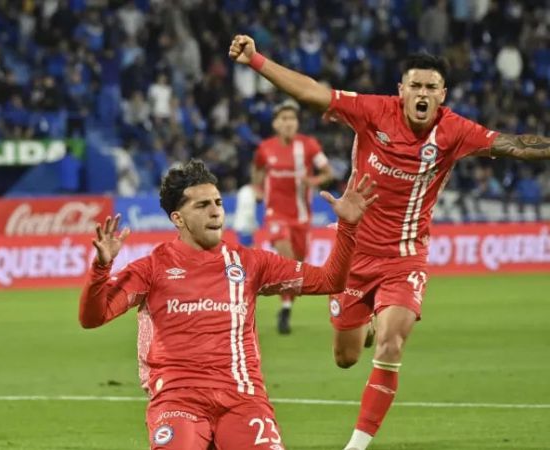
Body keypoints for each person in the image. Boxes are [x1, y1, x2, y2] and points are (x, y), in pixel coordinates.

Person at [229, 35, 550, 450]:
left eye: (431, 87)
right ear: (401, 90)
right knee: (345, 358)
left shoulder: (454, 130)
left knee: (391, 342)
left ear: (442, 95)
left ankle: (356, 445)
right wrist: (257, 60)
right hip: (354, 256)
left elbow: (515, 146)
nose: (422, 93)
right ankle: (364, 322)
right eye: (414, 85)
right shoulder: (373, 111)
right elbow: (312, 93)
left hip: (405, 257)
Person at [79, 159, 377, 450]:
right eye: (202, 205)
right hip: (178, 398)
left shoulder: (251, 262)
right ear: (177, 219)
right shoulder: (152, 268)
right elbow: (94, 316)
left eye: (218, 203)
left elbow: (329, 281)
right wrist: (100, 270)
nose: (215, 212)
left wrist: (348, 227)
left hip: (243, 399)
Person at [253, 98, 334, 334]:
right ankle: (285, 311)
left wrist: (314, 181)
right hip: (275, 214)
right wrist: (257, 189)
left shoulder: (309, 146)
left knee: (296, 266)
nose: (288, 123)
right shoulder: (265, 148)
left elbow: (328, 172)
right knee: (286, 258)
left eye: (292, 119)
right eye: (283, 119)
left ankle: (286, 307)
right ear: (275, 124)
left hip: (301, 216)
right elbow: (257, 170)